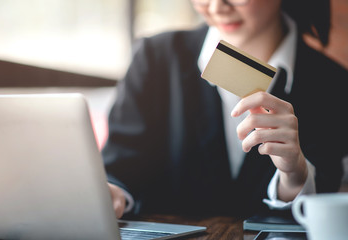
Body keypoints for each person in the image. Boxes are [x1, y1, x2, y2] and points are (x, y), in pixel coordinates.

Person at [102, 0, 348, 219]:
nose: (217, 7)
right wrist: (111, 191)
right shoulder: (155, 58)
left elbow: (325, 199)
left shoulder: (333, 84)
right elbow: (120, 166)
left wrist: (295, 176)